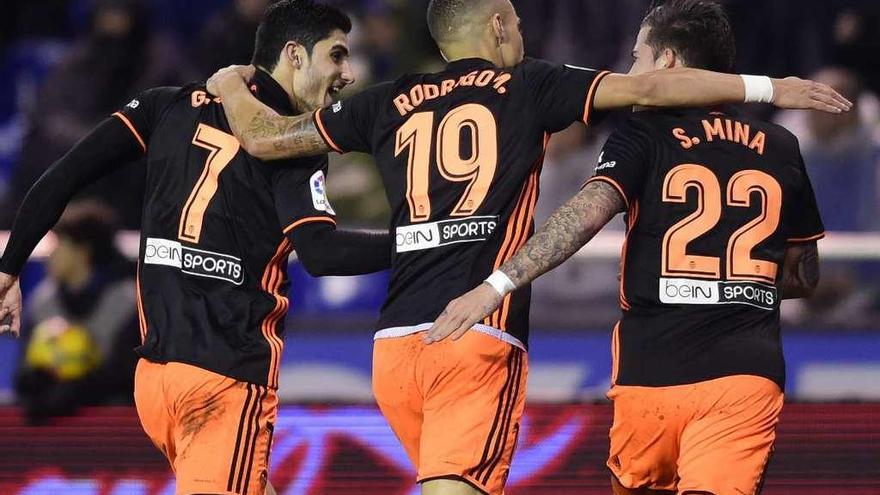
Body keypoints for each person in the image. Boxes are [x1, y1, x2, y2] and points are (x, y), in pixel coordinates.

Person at [205, 1, 849, 493]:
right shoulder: (532, 86)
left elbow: (265, 138)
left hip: (395, 346)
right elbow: (651, 92)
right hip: (478, 333)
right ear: (498, 26)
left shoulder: (386, 101)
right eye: (515, 21)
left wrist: (232, 82)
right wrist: (769, 89)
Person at [426, 1, 832, 494]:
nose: (631, 71)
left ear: (667, 64)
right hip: (745, 375)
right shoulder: (782, 145)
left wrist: (496, 284)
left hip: (650, 377)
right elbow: (803, 276)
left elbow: (583, 217)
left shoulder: (640, 136)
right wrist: (739, 285)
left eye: (638, 58)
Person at [0, 2, 391, 494]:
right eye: (336, 56)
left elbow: (60, 177)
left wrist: (9, 270)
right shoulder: (292, 145)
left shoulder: (165, 105)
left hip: (156, 381)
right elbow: (323, 252)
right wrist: (422, 242)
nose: (348, 73)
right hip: (224, 380)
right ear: (294, 54)